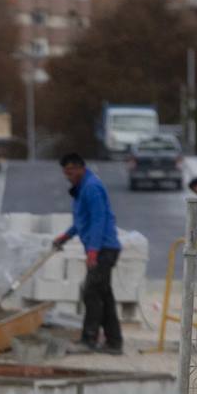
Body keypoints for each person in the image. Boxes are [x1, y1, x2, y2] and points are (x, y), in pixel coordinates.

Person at [52, 152, 124, 355]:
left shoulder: (91, 187)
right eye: (65, 172)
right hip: (101, 248)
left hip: (104, 249)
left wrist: (93, 252)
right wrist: (65, 237)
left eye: (71, 171)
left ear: (81, 168)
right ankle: (114, 342)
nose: (68, 176)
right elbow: (82, 221)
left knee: (91, 291)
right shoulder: (82, 188)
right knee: (104, 295)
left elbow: (98, 220)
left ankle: (89, 339)